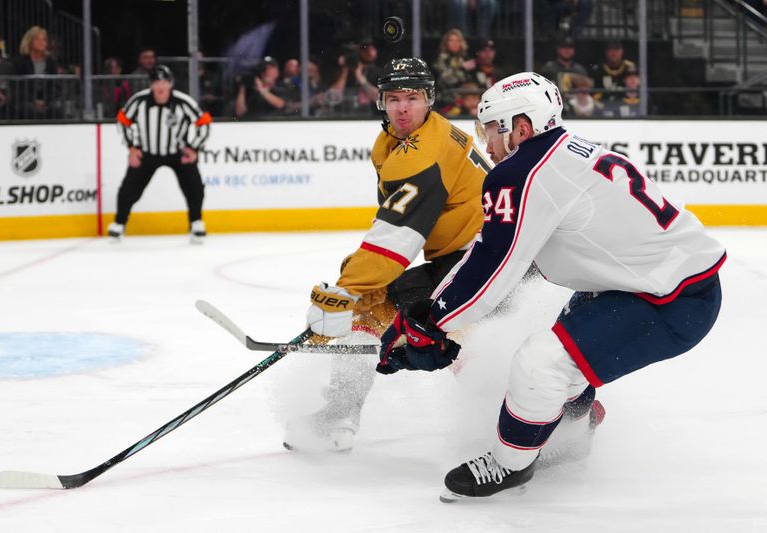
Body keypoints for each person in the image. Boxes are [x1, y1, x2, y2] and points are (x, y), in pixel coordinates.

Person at [375, 72, 726, 501]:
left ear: (520, 128)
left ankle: (509, 468)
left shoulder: (523, 172)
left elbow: (493, 265)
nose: (487, 145)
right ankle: (574, 434)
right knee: (567, 359)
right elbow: (490, 251)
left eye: (490, 131)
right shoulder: (562, 153)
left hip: (669, 299)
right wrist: (432, 313)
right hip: (643, 283)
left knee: (542, 363)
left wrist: (431, 323)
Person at [286, 57, 490, 452]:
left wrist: (346, 291)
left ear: (428, 99)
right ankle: (340, 414)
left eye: (411, 98)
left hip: (480, 263)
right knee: (381, 305)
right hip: (478, 256)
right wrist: (361, 282)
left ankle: (537, 425)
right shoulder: (411, 139)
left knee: (452, 333)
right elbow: (403, 228)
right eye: (393, 98)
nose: (401, 108)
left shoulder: (422, 151)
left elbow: (398, 236)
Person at [109, 65, 212, 243]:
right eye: (156, 82)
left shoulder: (183, 102)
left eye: (164, 82)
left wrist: (194, 148)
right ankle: (119, 223)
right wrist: (132, 148)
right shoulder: (139, 101)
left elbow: (204, 122)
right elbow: (122, 121)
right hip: (147, 152)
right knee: (129, 189)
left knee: (194, 186)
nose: (160, 86)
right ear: (151, 85)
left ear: (171, 84)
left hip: (178, 153)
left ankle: (196, 222)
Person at [12, 26, 60, 119]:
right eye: (38, 40)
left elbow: (55, 86)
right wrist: (34, 101)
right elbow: (18, 87)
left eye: (44, 40)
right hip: (26, 100)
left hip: (47, 100)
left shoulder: (51, 61)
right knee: (31, 110)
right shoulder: (20, 62)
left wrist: (46, 101)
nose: (42, 43)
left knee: (57, 109)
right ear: (30, 42)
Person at [328, 38, 381, 117]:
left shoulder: (376, 73)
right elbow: (332, 98)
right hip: (342, 117)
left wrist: (360, 77)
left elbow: (380, 98)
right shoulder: (340, 73)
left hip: (370, 118)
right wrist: (344, 72)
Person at [539, 36, 588, 116]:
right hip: (554, 104)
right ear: (558, 49)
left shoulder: (579, 69)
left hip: (576, 105)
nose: (567, 50)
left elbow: (585, 91)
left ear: (574, 50)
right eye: (564, 47)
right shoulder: (549, 68)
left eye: (570, 47)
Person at [432, 28, 475, 112]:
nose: (454, 43)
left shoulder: (464, 58)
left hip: (465, 96)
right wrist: (461, 68)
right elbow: (447, 79)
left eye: (457, 41)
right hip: (446, 97)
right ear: (446, 43)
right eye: (451, 40)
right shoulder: (441, 59)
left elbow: (470, 80)